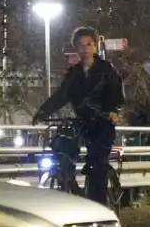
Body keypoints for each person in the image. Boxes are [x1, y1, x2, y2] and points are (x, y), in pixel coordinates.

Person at [33, 26, 125, 206]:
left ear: (95, 46)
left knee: (96, 164)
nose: (85, 49)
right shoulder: (74, 73)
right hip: (81, 122)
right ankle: (67, 185)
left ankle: (99, 206)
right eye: (81, 45)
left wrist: (113, 111)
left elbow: (117, 95)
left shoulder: (107, 70)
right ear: (76, 48)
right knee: (62, 150)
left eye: (89, 44)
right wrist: (43, 112)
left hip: (102, 122)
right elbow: (61, 95)